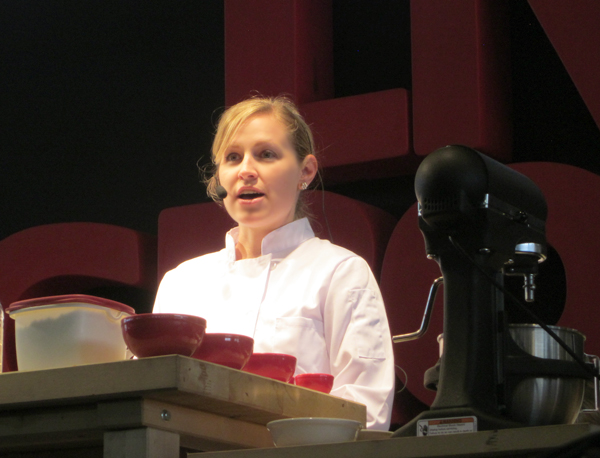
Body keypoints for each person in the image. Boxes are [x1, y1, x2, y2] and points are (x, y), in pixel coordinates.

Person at [153, 96, 395, 430]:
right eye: (233, 157)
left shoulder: (340, 272)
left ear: (306, 171)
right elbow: (151, 400)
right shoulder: (182, 282)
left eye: (266, 154)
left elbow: (364, 411)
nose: (246, 171)